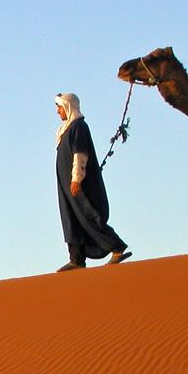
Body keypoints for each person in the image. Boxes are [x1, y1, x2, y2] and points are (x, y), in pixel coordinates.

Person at [54, 92, 132, 271]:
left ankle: (117, 246)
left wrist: (76, 179)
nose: (58, 112)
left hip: (77, 184)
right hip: (66, 185)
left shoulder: (79, 127)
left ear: (67, 106)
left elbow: (80, 154)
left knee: (89, 215)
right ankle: (76, 259)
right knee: (70, 219)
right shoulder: (66, 130)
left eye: (59, 107)